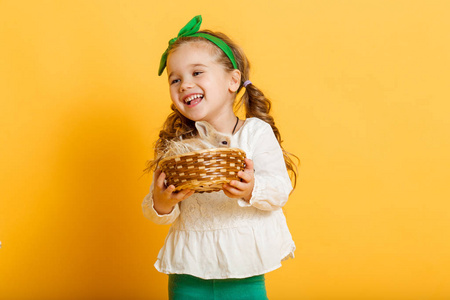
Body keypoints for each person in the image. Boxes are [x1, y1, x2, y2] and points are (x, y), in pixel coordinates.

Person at [142, 15, 298, 300]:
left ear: (232, 80)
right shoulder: (179, 146)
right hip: (188, 272)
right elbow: (159, 211)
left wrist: (252, 189)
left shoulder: (254, 134)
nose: (184, 84)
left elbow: (280, 189)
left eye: (197, 73)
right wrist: (162, 203)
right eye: (175, 79)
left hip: (244, 271)